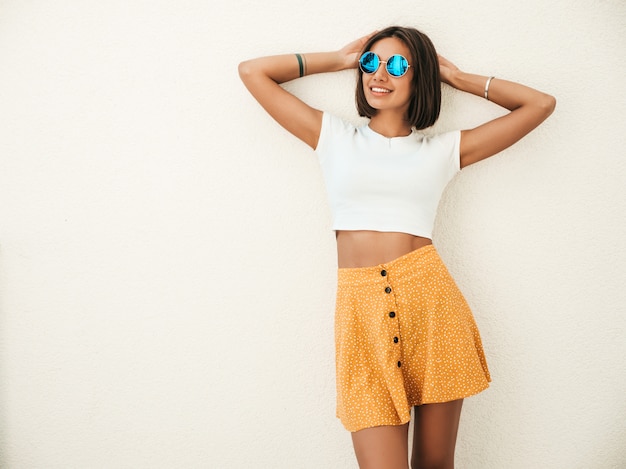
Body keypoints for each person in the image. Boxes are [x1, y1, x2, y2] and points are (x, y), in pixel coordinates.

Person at [238, 26, 555, 469]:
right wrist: (340, 58)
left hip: (431, 305)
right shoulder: (333, 137)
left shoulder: (442, 150)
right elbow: (252, 72)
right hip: (360, 312)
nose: (379, 73)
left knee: (434, 465)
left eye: (398, 64)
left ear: (418, 76)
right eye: (372, 62)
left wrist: (459, 78)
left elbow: (540, 104)